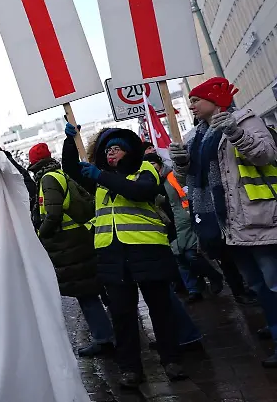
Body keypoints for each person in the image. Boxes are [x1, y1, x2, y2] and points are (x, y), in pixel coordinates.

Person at [62, 123, 187, 386]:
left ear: (129, 152)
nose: (110, 154)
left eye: (116, 149)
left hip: (147, 251)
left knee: (161, 311)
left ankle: (172, 360)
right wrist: (69, 142)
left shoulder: (144, 170)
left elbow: (138, 192)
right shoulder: (100, 177)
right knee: (122, 316)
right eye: (107, 150)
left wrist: (101, 176)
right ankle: (130, 368)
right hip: (113, 256)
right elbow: (71, 169)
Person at [171, 77, 277, 367]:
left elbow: (266, 154)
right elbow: (189, 179)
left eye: (196, 100)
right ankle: (273, 323)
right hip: (226, 220)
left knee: (272, 281)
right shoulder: (197, 135)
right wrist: (181, 163)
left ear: (215, 101)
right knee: (256, 283)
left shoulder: (244, 120)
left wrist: (235, 133)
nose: (191, 105)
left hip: (256, 215)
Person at [27, 142, 114, 357]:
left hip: (68, 244)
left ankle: (103, 338)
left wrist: (41, 234)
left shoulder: (47, 179)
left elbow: (53, 214)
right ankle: (110, 333)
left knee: (86, 294)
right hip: (77, 241)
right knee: (92, 290)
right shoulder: (58, 174)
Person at [146, 152, 223, 302]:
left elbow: (185, 195)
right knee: (179, 258)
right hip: (171, 225)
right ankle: (194, 289)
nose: (152, 168)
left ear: (159, 163)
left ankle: (213, 276)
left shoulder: (171, 177)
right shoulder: (152, 182)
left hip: (185, 221)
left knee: (191, 255)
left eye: (153, 164)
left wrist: (191, 214)